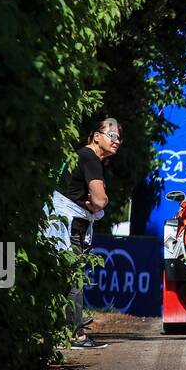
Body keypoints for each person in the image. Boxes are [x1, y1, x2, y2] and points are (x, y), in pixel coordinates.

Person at [55, 118, 122, 349]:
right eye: (112, 136)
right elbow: (100, 200)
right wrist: (94, 204)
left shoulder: (80, 155)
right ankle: (76, 335)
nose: (117, 141)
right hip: (70, 227)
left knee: (66, 278)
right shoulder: (90, 157)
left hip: (61, 224)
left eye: (119, 138)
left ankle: (63, 330)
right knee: (74, 278)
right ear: (96, 136)